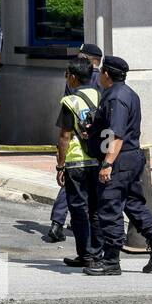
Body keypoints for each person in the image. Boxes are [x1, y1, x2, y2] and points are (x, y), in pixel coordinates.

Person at [85, 56, 152, 276]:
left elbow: (117, 135)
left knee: (110, 207)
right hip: (130, 159)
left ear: (106, 74)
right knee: (133, 204)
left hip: (119, 161)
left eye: (101, 73)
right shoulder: (128, 93)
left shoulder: (116, 97)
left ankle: (111, 262)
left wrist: (107, 164)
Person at [46, 42, 103, 242]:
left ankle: (58, 223)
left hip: (75, 149)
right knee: (90, 197)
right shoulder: (103, 82)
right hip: (98, 150)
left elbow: (65, 131)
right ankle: (94, 245)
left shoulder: (76, 80)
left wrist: (60, 162)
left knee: (73, 188)